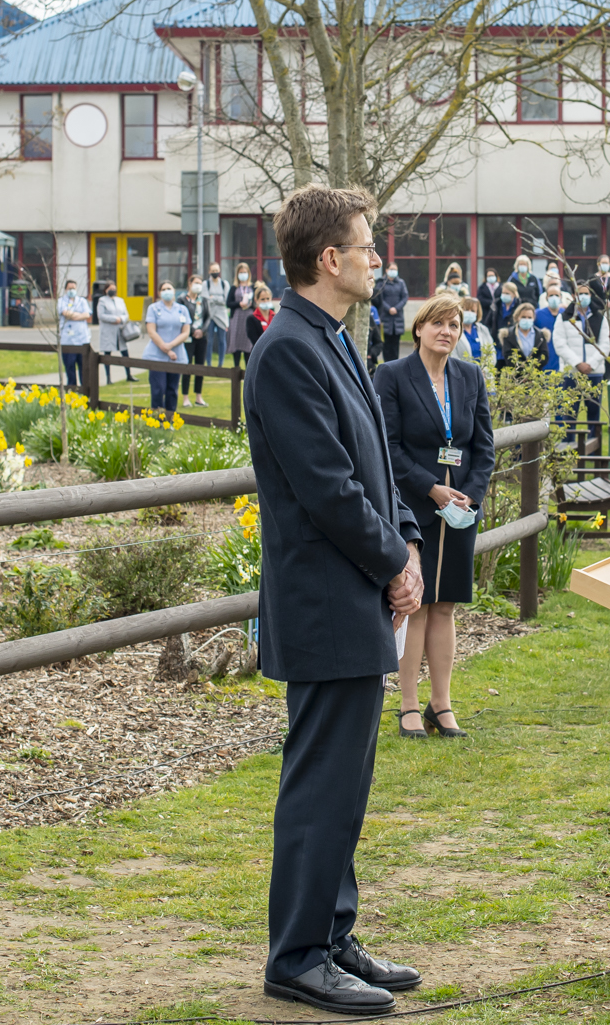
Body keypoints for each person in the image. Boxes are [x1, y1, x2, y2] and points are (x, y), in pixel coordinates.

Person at [243, 185, 424, 1014]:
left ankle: (332, 931)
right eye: (368, 246)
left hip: (355, 593)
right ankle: (298, 954)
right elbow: (327, 487)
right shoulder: (288, 350)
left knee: (347, 781)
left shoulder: (331, 339)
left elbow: (375, 460)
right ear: (330, 259)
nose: (378, 259)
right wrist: (393, 559)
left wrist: (406, 540)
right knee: (320, 781)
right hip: (325, 598)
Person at [373, 295, 495, 742]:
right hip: (414, 509)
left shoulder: (470, 376)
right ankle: (406, 705)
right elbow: (387, 447)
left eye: (455, 325)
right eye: (438, 323)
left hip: (459, 514)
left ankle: (440, 705)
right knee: (416, 604)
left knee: (445, 606)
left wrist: (471, 499)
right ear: (419, 328)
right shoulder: (392, 376)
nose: (447, 331)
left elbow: (484, 446)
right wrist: (431, 488)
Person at [555, 285, 610, 432]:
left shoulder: (600, 317)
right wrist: (577, 363)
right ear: (574, 295)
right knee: (569, 413)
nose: (583, 297)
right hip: (572, 373)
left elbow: (606, 344)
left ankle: (594, 449)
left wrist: (591, 364)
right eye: (580, 293)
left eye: (586, 293)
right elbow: (560, 344)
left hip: (594, 372)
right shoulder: (564, 317)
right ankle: (569, 446)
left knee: (594, 414)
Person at [142, 281, 192, 414]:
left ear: (174, 291)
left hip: (177, 356)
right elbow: (151, 331)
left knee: (172, 389)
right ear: (159, 293)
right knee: (158, 388)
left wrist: (171, 346)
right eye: (163, 289)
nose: (167, 291)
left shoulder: (182, 309)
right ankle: (157, 419)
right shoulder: (153, 308)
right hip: (156, 355)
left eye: (169, 288)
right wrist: (166, 348)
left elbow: (186, 332)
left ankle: (170, 419)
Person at [370, 265, 410, 366]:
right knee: (386, 344)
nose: (393, 271)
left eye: (395, 269)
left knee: (395, 344)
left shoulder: (401, 283)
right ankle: (387, 365)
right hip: (385, 317)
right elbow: (379, 298)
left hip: (397, 318)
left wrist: (396, 308)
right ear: (387, 270)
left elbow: (404, 297)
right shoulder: (381, 283)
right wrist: (388, 308)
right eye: (391, 269)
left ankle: (396, 365)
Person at [57, 278, 91, 393]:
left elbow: (86, 314)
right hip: (68, 341)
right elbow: (65, 313)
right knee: (70, 368)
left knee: (84, 368)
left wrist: (74, 315)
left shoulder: (82, 301)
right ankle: (72, 392)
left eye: (73, 288)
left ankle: (85, 392)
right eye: (69, 288)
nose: (72, 290)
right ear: (65, 289)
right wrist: (78, 315)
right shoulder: (61, 301)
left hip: (82, 340)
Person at [182, 276, 211, 406]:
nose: (198, 285)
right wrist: (193, 330)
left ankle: (198, 397)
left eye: (200, 283)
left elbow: (208, 317)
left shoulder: (204, 300)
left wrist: (202, 331)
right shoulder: (182, 299)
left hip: (202, 337)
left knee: (200, 366)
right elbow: (182, 317)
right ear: (190, 283)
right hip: (188, 337)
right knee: (187, 366)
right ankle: (185, 397)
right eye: (196, 283)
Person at [96, 283, 131, 383]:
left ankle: (129, 374)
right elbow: (101, 315)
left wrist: (121, 319)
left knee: (125, 352)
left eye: (114, 289)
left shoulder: (120, 301)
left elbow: (126, 314)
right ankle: (108, 378)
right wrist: (114, 319)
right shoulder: (102, 301)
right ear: (106, 290)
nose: (112, 290)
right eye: (110, 289)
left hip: (119, 331)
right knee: (107, 354)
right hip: (108, 331)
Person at [228, 264, 259, 372]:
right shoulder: (234, 287)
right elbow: (228, 303)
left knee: (248, 343)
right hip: (237, 318)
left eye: (244, 272)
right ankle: (236, 368)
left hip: (248, 316)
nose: (243, 275)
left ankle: (248, 370)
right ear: (237, 274)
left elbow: (257, 302)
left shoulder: (253, 287)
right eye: (241, 272)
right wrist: (239, 304)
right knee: (236, 342)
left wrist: (250, 304)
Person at [203, 263, 232, 367]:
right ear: (209, 272)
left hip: (222, 316)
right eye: (213, 270)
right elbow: (206, 299)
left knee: (221, 340)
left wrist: (213, 298)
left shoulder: (225, 284)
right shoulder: (205, 284)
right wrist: (218, 299)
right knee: (209, 340)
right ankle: (209, 363)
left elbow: (226, 301)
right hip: (210, 316)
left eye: (217, 270)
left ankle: (221, 364)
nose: (215, 272)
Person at [454, 298, 494, 366]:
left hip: (484, 373)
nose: (469, 313)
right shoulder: (455, 330)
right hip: (463, 373)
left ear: (477, 313)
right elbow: (453, 356)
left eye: (472, 311)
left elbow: (492, 353)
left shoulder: (483, 329)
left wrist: (484, 371)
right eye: (466, 310)